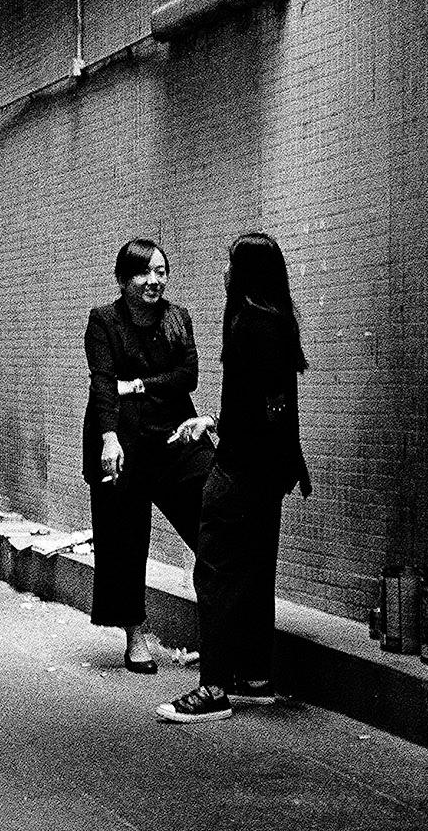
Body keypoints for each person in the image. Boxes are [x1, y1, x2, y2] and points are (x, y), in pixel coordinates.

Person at [157, 231, 312, 722]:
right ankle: (255, 674)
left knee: (218, 572)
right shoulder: (277, 322)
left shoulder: (249, 324)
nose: (223, 271)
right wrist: (216, 423)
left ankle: (213, 689)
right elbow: (270, 405)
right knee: (255, 568)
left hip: (241, 471)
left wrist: (228, 447)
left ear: (245, 273)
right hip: (266, 472)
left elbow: (264, 409)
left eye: (230, 264)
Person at [83, 238, 216, 673]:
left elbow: (188, 377)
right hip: (119, 439)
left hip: (174, 435)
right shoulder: (103, 321)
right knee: (124, 539)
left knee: (215, 520)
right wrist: (108, 437)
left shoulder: (179, 319)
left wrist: (137, 384)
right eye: (144, 272)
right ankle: (134, 634)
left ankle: (223, 634)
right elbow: (103, 382)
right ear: (123, 280)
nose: (154, 280)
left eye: (161, 271)